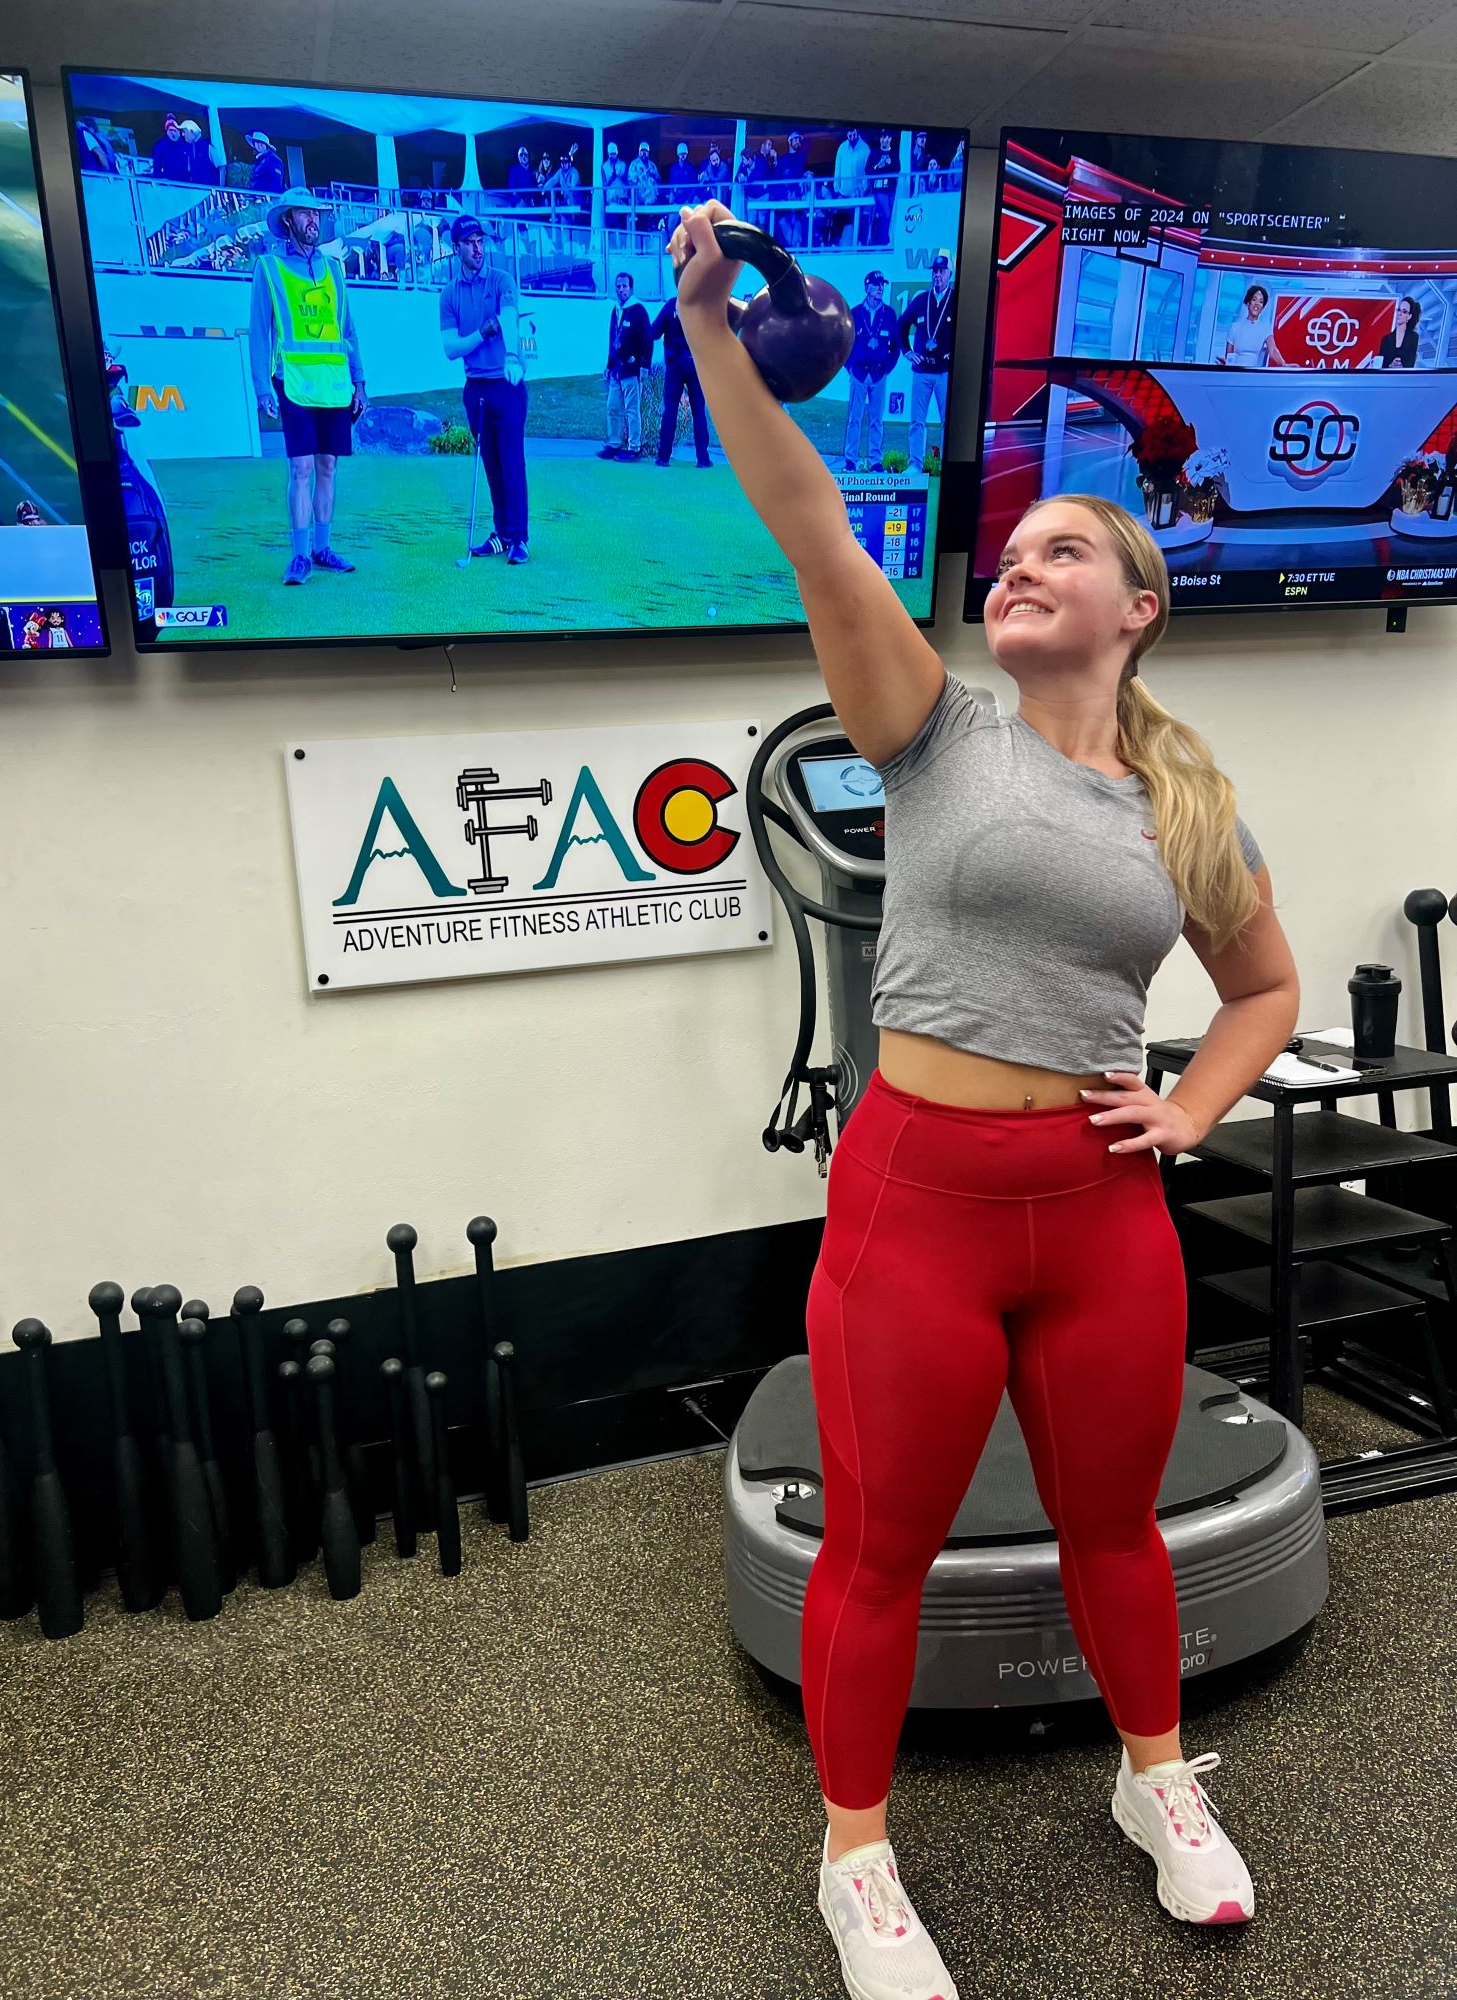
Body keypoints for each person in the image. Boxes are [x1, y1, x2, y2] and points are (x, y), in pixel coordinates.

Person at [668, 197, 1294, 1999]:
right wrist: (715, 330)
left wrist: (1188, 1115)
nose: (1016, 563)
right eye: (1007, 546)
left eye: (1062, 547)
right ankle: (855, 1861)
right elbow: (803, 512)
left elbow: (1263, 991)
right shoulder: (933, 729)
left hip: (1101, 1215)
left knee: (1118, 1521)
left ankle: (1160, 1785)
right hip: (920, 1205)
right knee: (881, 1546)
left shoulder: (1185, 810)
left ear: (1140, 605)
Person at [248, 187, 367, 586]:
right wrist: (263, 388)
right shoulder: (268, 268)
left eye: (316, 214)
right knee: (299, 468)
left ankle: (322, 548)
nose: (313, 221)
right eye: (304, 214)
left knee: (327, 465)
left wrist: (360, 382)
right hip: (294, 381)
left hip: (333, 384)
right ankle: (299, 556)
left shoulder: (335, 269)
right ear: (288, 220)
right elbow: (259, 332)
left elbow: (349, 330)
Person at [438, 213, 530, 564]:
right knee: (491, 464)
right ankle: (502, 533)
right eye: (470, 242)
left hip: (506, 384)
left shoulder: (501, 280)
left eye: (481, 241)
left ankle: (519, 538)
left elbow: (507, 317)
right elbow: (451, 348)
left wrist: (509, 354)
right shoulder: (449, 295)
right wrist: (481, 334)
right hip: (474, 387)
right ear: (456, 247)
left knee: (511, 463)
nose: (478, 248)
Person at [896, 249, 955, 466]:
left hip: (945, 372)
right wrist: (907, 351)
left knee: (947, 422)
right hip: (921, 372)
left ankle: (945, 464)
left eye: (941, 271)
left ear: (950, 274)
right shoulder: (921, 299)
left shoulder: (956, 299)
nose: (937, 275)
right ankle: (915, 464)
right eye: (934, 271)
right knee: (916, 421)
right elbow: (901, 325)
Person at [842, 270, 900, 471]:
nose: (880, 288)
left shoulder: (890, 314)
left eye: (882, 285)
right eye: (876, 285)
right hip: (858, 374)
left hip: (878, 375)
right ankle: (851, 459)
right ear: (867, 288)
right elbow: (844, 343)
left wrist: (887, 369)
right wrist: (850, 368)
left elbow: (896, 346)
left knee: (877, 420)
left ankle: (876, 460)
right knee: (854, 418)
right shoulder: (855, 313)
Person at [647, 296, 711, 469]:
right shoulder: (700, 306)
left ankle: (663, 457)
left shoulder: (671, 306)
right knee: (698, 412)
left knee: (670, 411)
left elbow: (653, 333)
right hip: (695, 365)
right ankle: (703, 459)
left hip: (675, 365)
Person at [598, 270, 653, 461]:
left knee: (632, 410)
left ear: (631, 288)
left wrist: (645, 365)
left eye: (624, 286)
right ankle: (614, 444)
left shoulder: (638, 310)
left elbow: (648, 340)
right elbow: (612, 339)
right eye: (618, 286)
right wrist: (608, 364)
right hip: (616, 370)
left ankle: (634, 447)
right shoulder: (615, 310)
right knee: (612, 407)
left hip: (632, 369)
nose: (621, 290)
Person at [1219, 284, 1283, 367]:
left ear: (1262, 307)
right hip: (1235, 372)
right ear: (1248, 302)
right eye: (1254, 300)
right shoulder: (1235, 327)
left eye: (1261, 302)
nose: (1257, 304)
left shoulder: (1265, 328)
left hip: (1252, 373)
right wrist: (1225, 364)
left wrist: (1284, 364)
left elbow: (1273, 350)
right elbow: (1229, 357)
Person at [831, 126, 870, 247]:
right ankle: (833, 245)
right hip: (842, 194)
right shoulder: (842, 148)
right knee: (838, 221)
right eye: (849, 134)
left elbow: (866, 173)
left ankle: (858, 245)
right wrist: (837, 190)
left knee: (856, 222)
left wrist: (862, 190)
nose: (851, 137)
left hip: (857, 194)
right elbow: (837, 170)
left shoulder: (865, 149)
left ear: (858, 132)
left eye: (853, 134)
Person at [866, 130, 898, 247]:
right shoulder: (874, 153)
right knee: (886, 213)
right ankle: (883, 240)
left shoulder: (894, 153)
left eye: (887, 138)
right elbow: (868, 170)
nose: (885, 140)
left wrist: (890, 163)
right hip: (879, 189)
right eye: (883, 138)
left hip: (891, 188)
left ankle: (886, 238)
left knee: (891, 213)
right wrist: (877, 166)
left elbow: (898, 169)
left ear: (890, 140)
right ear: (880, 139)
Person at [628, 140, 661, 236]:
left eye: (646, 151)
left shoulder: (652, 165)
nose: (644, 153)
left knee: (651, 222)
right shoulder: (634, 164)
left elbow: (659, 179)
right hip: (640, 199)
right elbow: (630, 181)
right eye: (642, 151)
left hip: (651, 200)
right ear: (639, 152)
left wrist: (653, 174)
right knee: (640, 223)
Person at [1379, 296, 1421, 369]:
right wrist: (1390, 366)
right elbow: (1381, 365)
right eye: (1399, 310)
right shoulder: (1386, 339)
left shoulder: (1414, 337)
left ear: (1409, 316)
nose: (1400, 313)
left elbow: (1411, 363)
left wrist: (1401, 367)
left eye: (1404, 311)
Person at [601, 140, 629, 235]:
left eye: (614, 154)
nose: (612, 156)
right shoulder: (604, 166)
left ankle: (623, 245)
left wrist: (620, 176)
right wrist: (610, 180)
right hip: (611, 199)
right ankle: (612, 245)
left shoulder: (623, 164)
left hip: (622, 197)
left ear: (617, 153)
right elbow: (604, 184)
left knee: (622, 224)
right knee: (612, 223)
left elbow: (627, 180)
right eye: (610, 154)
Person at [150, 112, 189, 180]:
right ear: (167, 131)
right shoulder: (160, 146)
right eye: (170, 130)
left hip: (185, 182)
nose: (173, 133)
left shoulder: (187, 145)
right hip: (169, 183)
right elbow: (156, 168)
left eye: (175, 130)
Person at [247, 131, 286, 196]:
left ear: (266, 145)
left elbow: (276, 182)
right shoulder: (259, 161)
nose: (259, 145)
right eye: (256, 142)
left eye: (261, 143)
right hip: (258, 199)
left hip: (267, 201)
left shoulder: (273, 159)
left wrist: (271, 199)